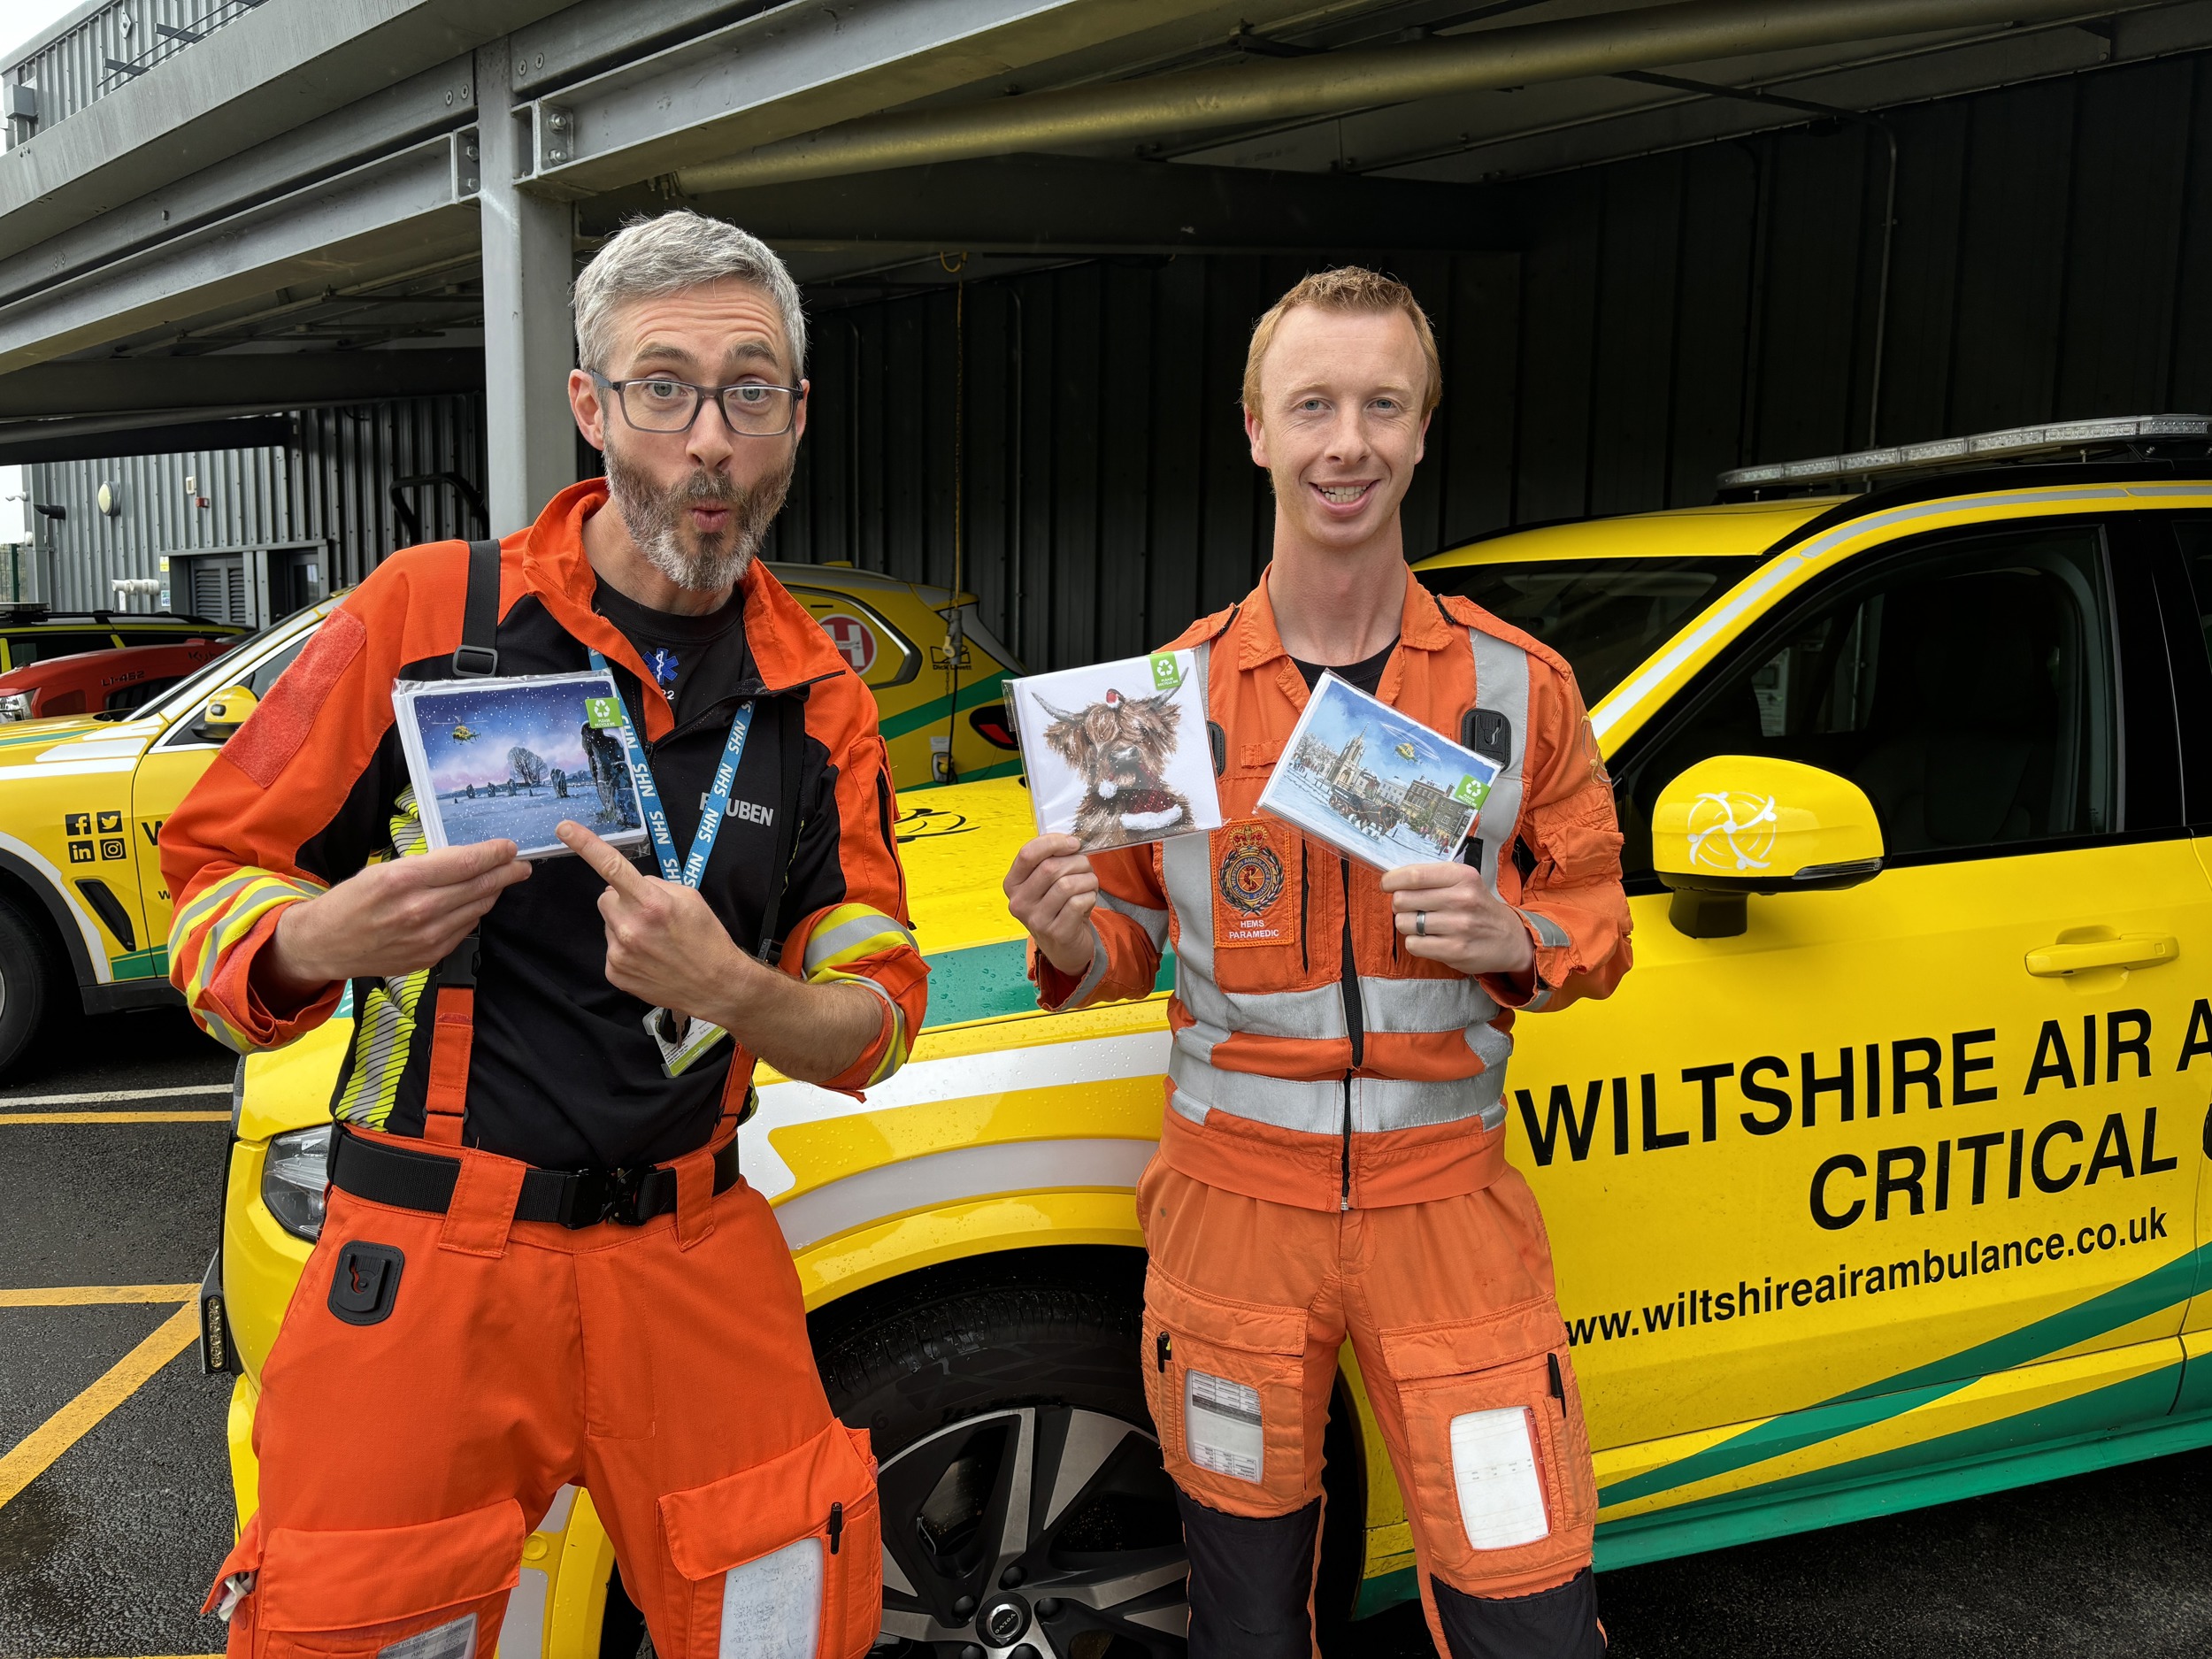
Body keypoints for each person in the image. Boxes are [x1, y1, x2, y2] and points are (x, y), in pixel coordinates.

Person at [165, 211, 924, 1659]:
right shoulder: (431, 614)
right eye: (663, 387)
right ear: (591, 406)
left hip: (694, 1253)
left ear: (796, 417)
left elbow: (877, 1014)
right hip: (430, 1255)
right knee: (357, 1629)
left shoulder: (819, 694)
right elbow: (210, 873)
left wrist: (738, 992)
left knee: (776, 1617)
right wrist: (320, 938)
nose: (708, 439)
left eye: (749, 392)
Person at [1003, 268, 1632, 1659]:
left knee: (1527, 1609)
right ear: (1255, 431)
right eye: (1313, 406)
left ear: (1420, 432)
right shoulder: (1156, 706)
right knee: (1243, 1622)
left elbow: (1597, 914)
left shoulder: (1518, 687)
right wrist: (1067, 936)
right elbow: (1126, 942)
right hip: (1233, 1223)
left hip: (1449, 1224)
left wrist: (1520, 941)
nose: (1347, 441)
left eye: (1381, 406)